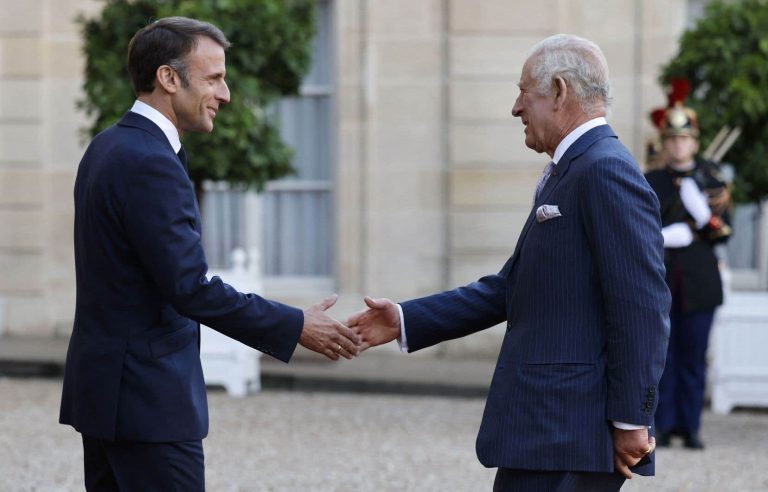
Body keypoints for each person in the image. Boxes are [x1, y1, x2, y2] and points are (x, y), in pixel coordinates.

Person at [346, 34, 670, 491]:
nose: (515, 107)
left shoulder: (604, 169)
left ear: (559, 91)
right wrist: (403, 320)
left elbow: (642, 305)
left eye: (524, 92)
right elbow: (509, 287)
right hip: (546, 431)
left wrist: (631, 419)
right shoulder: (574, 168)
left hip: (573, 432)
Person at [59, 17, 360, 491]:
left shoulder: (109, 145)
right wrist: (295, 325)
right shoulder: (149, 160)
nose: (226, 94)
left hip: (109, 395)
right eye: (214, 78)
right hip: (146, 403)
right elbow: (189, 288)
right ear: (168, 78)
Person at [646, 83, 732, 450]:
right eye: (672, 139)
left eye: (685, 139)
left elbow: (724, 233)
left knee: (695, 357)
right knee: (663, 358)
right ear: (665, 143)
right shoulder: (651, 180)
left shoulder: (712, 182)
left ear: (695, 143)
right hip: (662, 278)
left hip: (698, 281)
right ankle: (663, 425)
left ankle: (691, 425)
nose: (678, 145)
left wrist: (703, 216)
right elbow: (642, 228)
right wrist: (667, 234)